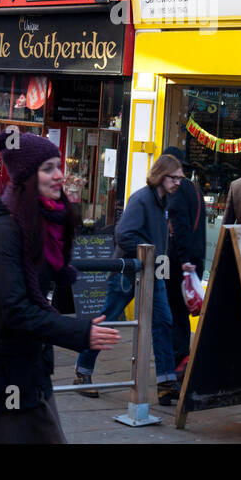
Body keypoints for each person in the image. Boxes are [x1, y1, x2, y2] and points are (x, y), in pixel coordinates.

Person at [0, 133, 118, 442]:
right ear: (26, 175)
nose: (59, 175)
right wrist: (78, 333)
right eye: (48, 168)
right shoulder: (4, 231)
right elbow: (16, 310)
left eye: (59, 166)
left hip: (27, 368)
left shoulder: (44, 223)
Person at [75, 152, 181, 405]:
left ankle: (166, 383)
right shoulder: (142, 199)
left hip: (151, 273)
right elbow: (123, 235)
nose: (178, 182)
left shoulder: (162, 201)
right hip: (128, 273)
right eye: (174, 178)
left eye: (180, 179)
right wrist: (147, 253)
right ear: (160, 176)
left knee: (163, 322)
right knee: (108, 320)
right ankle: (82, 372)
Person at [161, 147, 205, 376]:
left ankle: (178, 359)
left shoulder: (176, 190)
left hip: (175, 260)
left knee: (171, 311)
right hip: (192, 258)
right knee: (178, 311)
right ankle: (180, 357)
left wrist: (184, 259)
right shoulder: (195, 189)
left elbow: (180, 226)